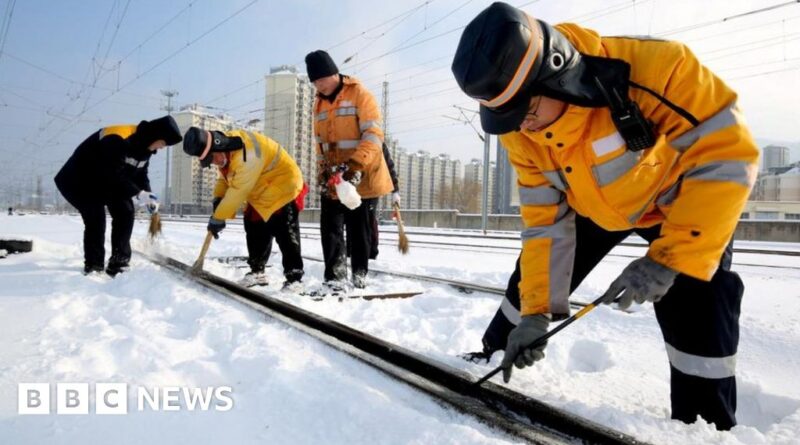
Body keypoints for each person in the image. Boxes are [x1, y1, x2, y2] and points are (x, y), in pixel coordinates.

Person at [451, 2, 759, 430]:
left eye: (528, 113)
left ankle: (701, 427)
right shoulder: (521, 132)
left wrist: (670, 258)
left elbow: (728, 154)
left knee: (701, 297)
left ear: (558, 76)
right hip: (590, 205)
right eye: (510, 119)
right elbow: (544, 223)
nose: (523, 129)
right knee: (524, 291)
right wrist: (536, 313)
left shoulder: (656, 69)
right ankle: (492, 357)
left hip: (674, 202)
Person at [305, 49, 393, 289]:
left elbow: (373, 134)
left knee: (358, 230)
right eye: (314, 81)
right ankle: (334, 278)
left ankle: (359, 277)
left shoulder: (360, 95)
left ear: (333, 73)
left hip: (361, 172)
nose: (318, 85)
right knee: (330, 227)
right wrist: (323, 170)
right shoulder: (318, 103)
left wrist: (355, 166)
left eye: (321, 80)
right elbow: (320, 143)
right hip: (334, 176)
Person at [54, 116, 182, 275]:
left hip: (104, 181)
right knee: (96, 217)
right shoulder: (117, 137)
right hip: (79, 180)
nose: (161, 148)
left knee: (126, 211)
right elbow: (111, 174)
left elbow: (141, 175)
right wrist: (138, 193)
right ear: (155, 135)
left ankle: (119, 262)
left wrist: (148, 195)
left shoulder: (146, 148)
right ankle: (94, 266)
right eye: (163, 143)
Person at [182, 127, 305, 288]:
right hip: (260, 187)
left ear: (218, 147)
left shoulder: (247, 154)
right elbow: (225, 180)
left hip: (283, 184)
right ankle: (257, 272)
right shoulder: (226, 152)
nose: (214, 163)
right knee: (253, 226)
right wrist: (218, 199)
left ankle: (294, 278)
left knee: (284, 230)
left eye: (212, 158)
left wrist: (219, 217)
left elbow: (238, 190)